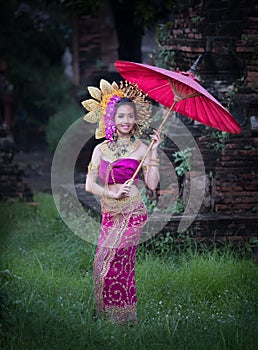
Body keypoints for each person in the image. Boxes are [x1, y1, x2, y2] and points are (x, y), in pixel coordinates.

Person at [82, 79, 161, 324]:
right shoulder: (100, 150)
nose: (126, 121)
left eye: (130, 116)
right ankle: (107, 315)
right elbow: (89, 184)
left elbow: (152, 184)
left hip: (133, 213)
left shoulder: (142, 149)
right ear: (111, 120)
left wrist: (155, 152)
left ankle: (124, 318)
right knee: (100, 263)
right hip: (110, 212)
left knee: (118, 263)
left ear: (136, 119)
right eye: (120, 117)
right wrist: (111, 194)